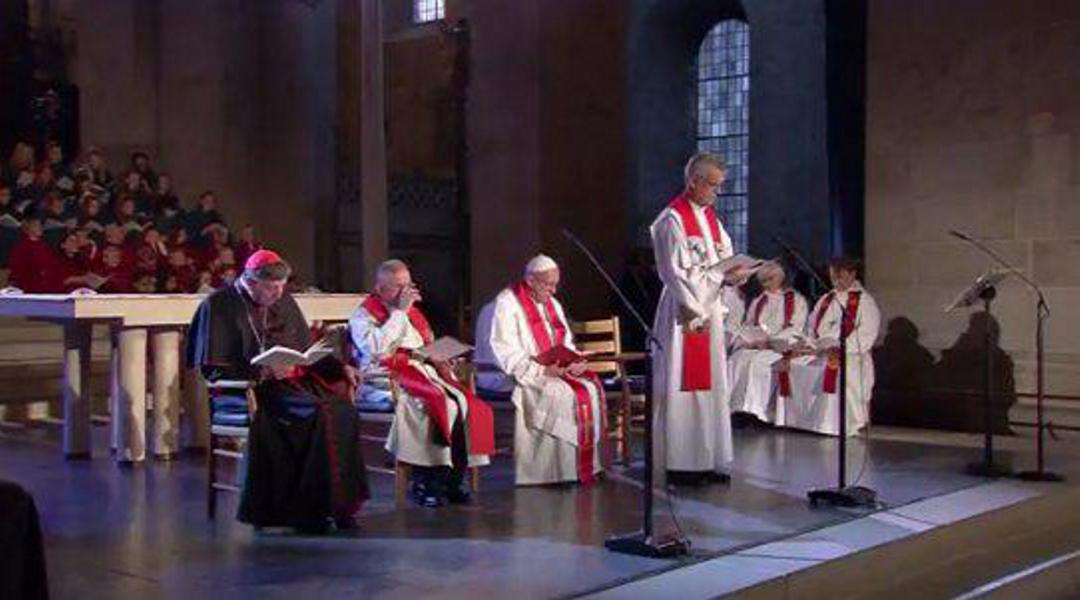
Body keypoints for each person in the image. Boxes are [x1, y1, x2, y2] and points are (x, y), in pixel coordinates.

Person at [186, 249, 369, 532]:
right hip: (248, 390)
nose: (278, 294)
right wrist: (263, 371)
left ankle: (339, 506)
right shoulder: (219, 305)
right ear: (251, 280)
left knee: (342, 407)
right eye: (272, 288)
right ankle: (308, 512)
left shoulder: (283, 299)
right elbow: (213, 368)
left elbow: (305, 349)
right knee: (316, 412)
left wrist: (339, 367)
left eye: (282, 287)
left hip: (289, 385)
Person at [349, 259, 494, 507]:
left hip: (422, 375)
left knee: (465, 403)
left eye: (408, 286)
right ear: (380, 288)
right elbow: (377, 350)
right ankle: (425, 482)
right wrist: (398, 314)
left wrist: (442, 357)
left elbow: (423, 346)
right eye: (398, 287)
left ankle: (451, 480)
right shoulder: (365, 314)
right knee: (428, 407)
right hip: (383, 381)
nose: (406, 293)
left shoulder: (414, 314)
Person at [650, 152, 750, 486]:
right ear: (693, 180)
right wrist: (720, 278)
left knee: (712, 387)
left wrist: (737, 274)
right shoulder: (671, 220)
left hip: (710, 312)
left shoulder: (711, 220)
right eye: (712, 185)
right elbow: (675, 273)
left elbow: (724, 259)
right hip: (685, 312)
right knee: (684, 386)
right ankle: (681, 464)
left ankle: (708, 459)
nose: (716, 193)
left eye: (720, 186)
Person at [487, 254, 607, 486]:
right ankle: (551, 472)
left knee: (590, 388)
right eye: (548, 284)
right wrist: (540, 370)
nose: (553, 290)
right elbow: (503, 348)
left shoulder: (552, 303)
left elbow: (565, 343)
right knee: (558, 393)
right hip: (522, 374)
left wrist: (573, 361)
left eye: (555, 284)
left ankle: (582, 465)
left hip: (556, 370)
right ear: (530, 281)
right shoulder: (507, 302)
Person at [782, 256, 881, 436]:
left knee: (836, 371)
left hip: (850, 356)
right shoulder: (826, 299)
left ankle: (837, 425)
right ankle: (808, 422)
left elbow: (867, 333)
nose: (835, 281)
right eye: (832, 277)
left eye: (840, 276)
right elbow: (811, 328)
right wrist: (810, 344)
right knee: (791, 365)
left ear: (852, 274)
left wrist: (839, 347)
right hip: (820, 353)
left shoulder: (865, 301)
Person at [728, 262, 809, 425]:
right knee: (738, 358)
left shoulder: (796, 300)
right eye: (763, 280)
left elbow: (796, 328)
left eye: (770, 279)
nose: (766, 284)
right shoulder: (759, 301)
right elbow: (749, 325)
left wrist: (770, 342)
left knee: (758, 363)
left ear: (781, 278)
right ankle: (735, 409)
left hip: (780, 348)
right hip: (758, 345)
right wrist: (751, 340)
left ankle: (758, 412)